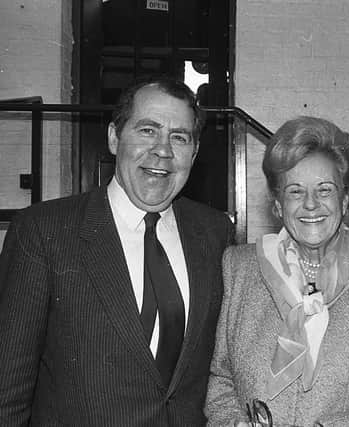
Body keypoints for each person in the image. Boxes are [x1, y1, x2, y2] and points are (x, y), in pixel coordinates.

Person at [0, 77, 232, 426]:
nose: (163, 151)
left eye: (179, 137)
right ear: (113, 138)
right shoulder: (42, 231)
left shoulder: (215, 233)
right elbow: (8, 386)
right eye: (147, 131)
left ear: (194, 153)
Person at [205, 116, 349, 426]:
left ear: (346, 199)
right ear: (278, 205)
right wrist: (234, 423)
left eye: (324, 190)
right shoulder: (238, 268)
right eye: (296, 192)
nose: (310, 205)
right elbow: (221, 381)